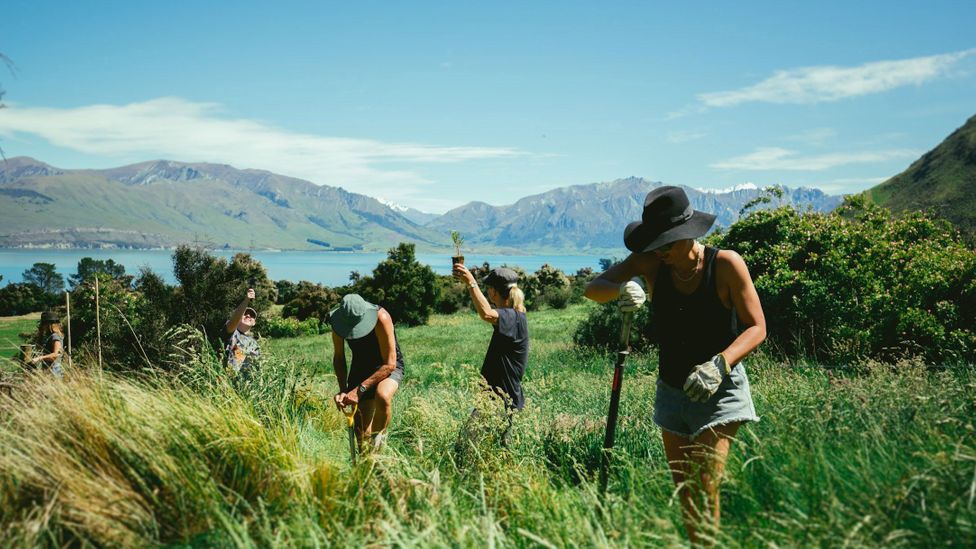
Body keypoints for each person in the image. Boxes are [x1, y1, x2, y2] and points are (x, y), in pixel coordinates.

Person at [584, 186, 766, 543]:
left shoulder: (726, 264)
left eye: (667, 242)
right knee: (685, 489)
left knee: (706, 484)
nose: (661, 251)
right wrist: (623, 289)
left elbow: (757, 327)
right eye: (656, 243)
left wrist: (720, 363)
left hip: (720, 388)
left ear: (689, 234)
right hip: (672, 389)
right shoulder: (651, 262)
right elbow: (594, 288)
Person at [451, 265, 529, 433]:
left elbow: (486, 313)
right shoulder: (515, 317)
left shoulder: (512, 316)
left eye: (488, 289)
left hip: (500, 402)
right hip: (501, 400)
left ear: (493, 292)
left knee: (466, 448)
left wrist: (471, 283)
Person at [330, 294, 404, 452]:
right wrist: (343, 390)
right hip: (361, 368)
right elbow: (339, 357)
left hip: (388, 364)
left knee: (382, 395)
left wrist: (359, 390)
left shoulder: (381, 317)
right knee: (362, 439)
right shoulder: (337, 322)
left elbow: (389, 364)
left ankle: (378, 446)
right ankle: (367, 466)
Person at [225, 288, 261, 380]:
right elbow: (234, 321)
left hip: (244, 386)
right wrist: (246, 300)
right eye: (245, 314)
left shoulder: (254, 344)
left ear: (254, 323)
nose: (248, 316)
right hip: (226, 380)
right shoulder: (232, 331)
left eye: (252, 316)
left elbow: (257, 368)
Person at [31, 310, 65, 377]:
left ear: (48, 324)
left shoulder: (55, 336)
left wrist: (39, 358)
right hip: (50, 369)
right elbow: (39, 347)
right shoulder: (49, 336)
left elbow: (55, 355)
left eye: (43, 324)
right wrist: (40, 333)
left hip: (54, 369)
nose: (42, 325)